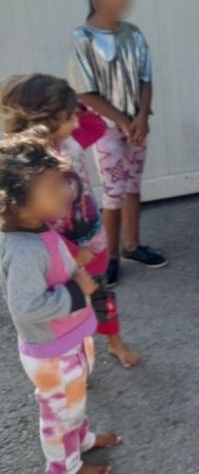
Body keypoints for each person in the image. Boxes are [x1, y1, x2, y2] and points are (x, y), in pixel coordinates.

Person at [0, 129, 121, 474]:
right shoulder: (23, 249)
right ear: (16, 200)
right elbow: (26, 308)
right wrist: (77, 291)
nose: (67, 191)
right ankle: (64, 467)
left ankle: (80, 442)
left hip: (69, 340)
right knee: (58, 415)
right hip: (53, 354)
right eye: (53, 187)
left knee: (73, 404)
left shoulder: (39, 227)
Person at [1, 74, 141, 368]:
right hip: (61, 251)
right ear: (46, 120)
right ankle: (74, 355)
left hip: (90, 237)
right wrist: (74, 253)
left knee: (102, 295)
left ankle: (114, 342)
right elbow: (37, 221)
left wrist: (77, 105)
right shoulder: (32, 164)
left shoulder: (70, 139)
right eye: (68, 117)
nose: (76, 122)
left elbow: (97, 127)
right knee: (71, 303)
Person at [68, 0, 166, 288]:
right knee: (113, 195)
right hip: (106, 132)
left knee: (133, 187)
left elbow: (146, 78)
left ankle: (132, 246)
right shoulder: (83, 38)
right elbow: (85, 92)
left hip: (136, 127)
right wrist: (124, 121)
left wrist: (142, 117)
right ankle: (109, 257)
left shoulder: (133, 34)